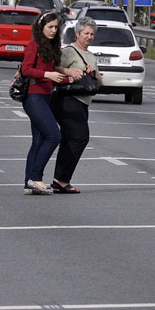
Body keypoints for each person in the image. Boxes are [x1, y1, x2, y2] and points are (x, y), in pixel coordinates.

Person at [19, 12, 79, 194]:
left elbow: (53, 75)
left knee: (38, 141)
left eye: (55, 27)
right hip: (33, 96)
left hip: (45, 95)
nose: (53, 30)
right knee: (54, 136)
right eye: (49, 27)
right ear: (41, 27)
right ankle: (36, 177)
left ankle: (28, 183)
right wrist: (47, 74)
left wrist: (72, 78)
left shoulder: (52, 46)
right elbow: (26, 69)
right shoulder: (34, 44)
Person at [49, 17, 100, 193]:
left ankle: (60, 180)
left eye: (92, 34)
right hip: (67, 99)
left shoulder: (91, 56)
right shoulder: (69, 51)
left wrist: (93, 74)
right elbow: (53, 68)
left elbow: (99, 79)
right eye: (86, 33)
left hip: (83, 102)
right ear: (77, 34)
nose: (89, 37)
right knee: (80, 137)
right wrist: (70, 72)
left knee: (70, 139)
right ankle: (61, 179)